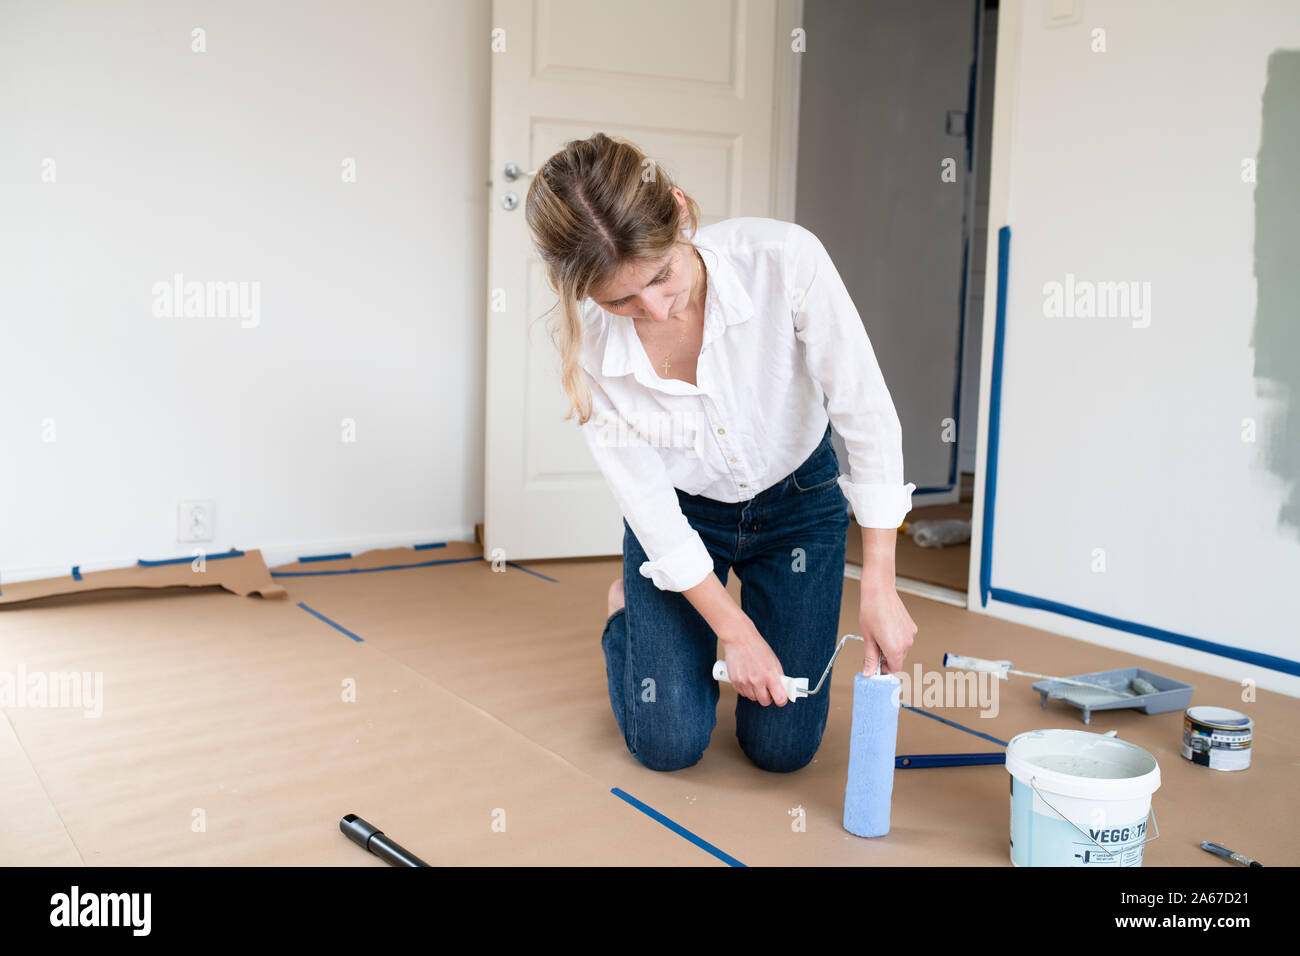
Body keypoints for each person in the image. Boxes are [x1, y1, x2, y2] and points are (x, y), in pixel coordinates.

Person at [524, 132, 916, 773]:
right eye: (620, 299)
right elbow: (647, 504)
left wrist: (880, 581)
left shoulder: (783, 259)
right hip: (684, 517)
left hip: (800, 503)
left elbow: (866, 414)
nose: (651, 310)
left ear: (679, 212)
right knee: (667, 744)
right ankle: (630, 612)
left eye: (661, 275)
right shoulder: (587, 343)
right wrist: (734, 632)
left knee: (781, 749)